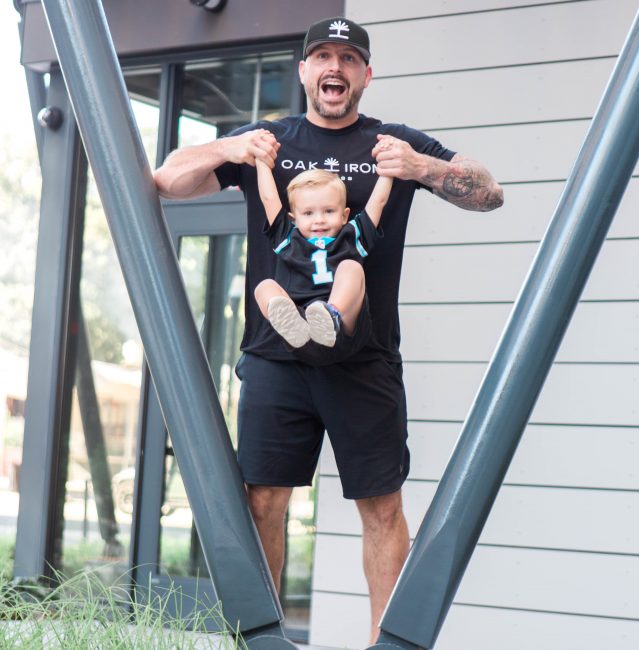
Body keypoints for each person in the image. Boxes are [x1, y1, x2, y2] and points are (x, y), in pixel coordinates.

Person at [153, 15, 503, 644]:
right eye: (322, 56)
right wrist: (228, 149)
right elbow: (166, 182)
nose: (334, 68)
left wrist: (420, 165)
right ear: (304, 70)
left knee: (382, 507)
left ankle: (383, 642)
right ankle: (259, 638)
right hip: (275, 357)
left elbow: (488, 193)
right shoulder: (270, 139)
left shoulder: (391, 142)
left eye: (348, 58)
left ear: (366, 73)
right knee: (263, 501)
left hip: (362, 359)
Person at [254, 151, 392, 353]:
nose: (319, 220)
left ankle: (331, 314)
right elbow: (268, 199)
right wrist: (261, 160)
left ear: (345, 215)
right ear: (294, 219)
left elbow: (378, 202)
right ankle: (290, 324)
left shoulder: (352, 236)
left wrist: (389, 169)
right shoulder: (288, 238)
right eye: (308, 213)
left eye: (328, 211)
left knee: (350, 267)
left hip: (343, 329)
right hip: (300, 332)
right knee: (264, 287)